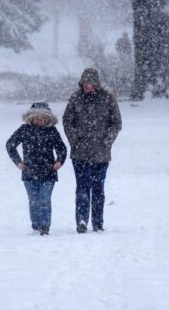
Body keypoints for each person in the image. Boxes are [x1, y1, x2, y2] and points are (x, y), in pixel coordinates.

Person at [63, 68, 122, 233]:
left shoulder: (108, 98)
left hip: (101, 154)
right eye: (84, 83)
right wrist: (75, 139)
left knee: (98, 190)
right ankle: (81, 221)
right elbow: (67, 121)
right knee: (82, 189)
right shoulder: (75, 98)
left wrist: (107, 141)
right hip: (79, 153)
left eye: (89, 83)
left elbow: (116, 123)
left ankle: (98, 222)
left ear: (96, 83)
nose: (86, 86)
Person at [6, 102, 67, 236]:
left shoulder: (52, 131)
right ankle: (36, 225)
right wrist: (18, 161)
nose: (39, 120)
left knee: (44, 200)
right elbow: (10, 145)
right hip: (29, 172)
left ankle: (45, 227)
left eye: (42, 117)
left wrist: (59, 161)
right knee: (34, 201)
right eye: (36, 117)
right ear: (31, 118)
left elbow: (62, 148)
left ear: (48, 119)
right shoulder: (24, 130)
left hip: (48, 172)